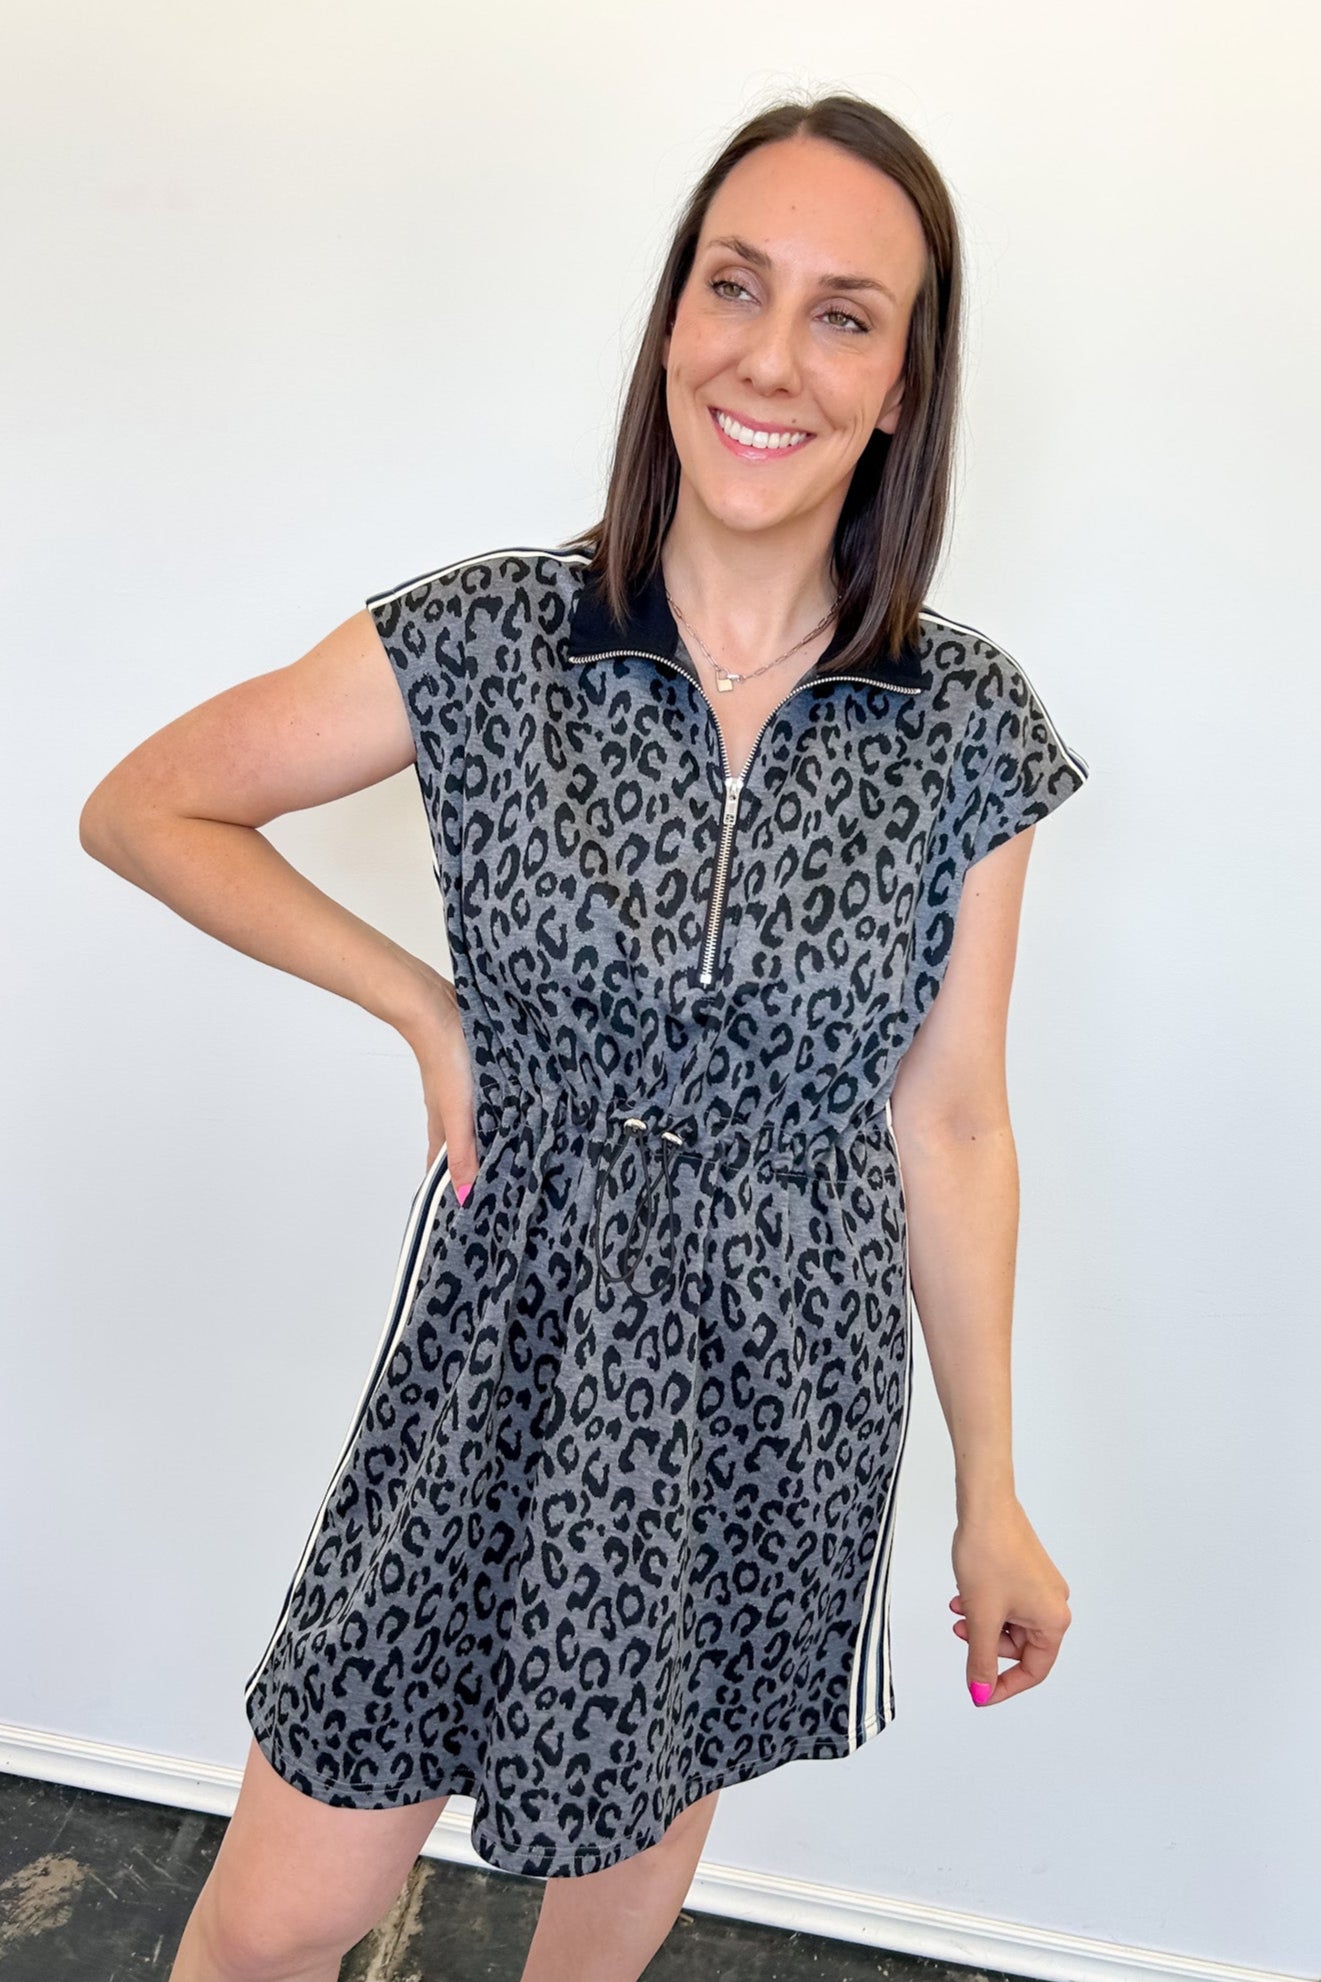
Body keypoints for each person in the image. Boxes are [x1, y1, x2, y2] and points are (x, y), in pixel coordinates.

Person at [81, 90, 1087, 1982]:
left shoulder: (965, 728)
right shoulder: (490, 639)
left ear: (901, 383)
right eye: (733, 286)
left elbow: (951, 1121)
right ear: (671, 316)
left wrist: (992, 1492)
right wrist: (420, 999)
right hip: (503, 1345)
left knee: (594, 1945)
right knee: (276, 1924)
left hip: (771, 1388)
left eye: (843, 315)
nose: (768, 359)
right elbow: (147, 807)